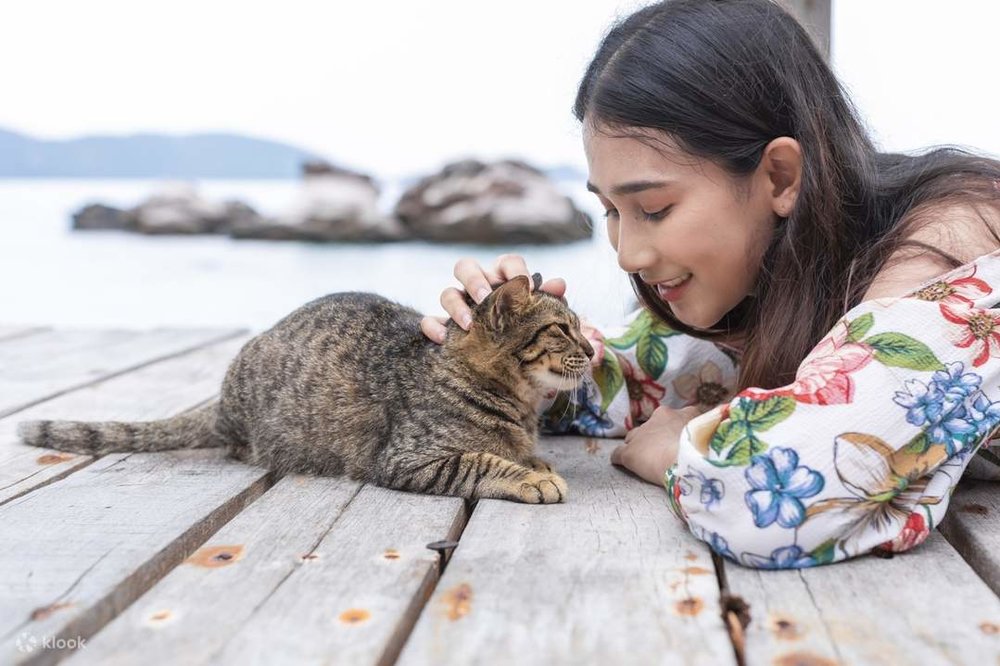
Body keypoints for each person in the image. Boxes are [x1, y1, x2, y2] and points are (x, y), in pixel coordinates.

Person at [421, 0, 1000, 569]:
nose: (627, 255)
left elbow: (774, 497)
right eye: (610, 212)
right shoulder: (787, 277)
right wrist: (483, 354)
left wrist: (676, 451)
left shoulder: (950, 248)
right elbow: (624, 379)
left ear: (779, 176)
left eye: (653, 208)